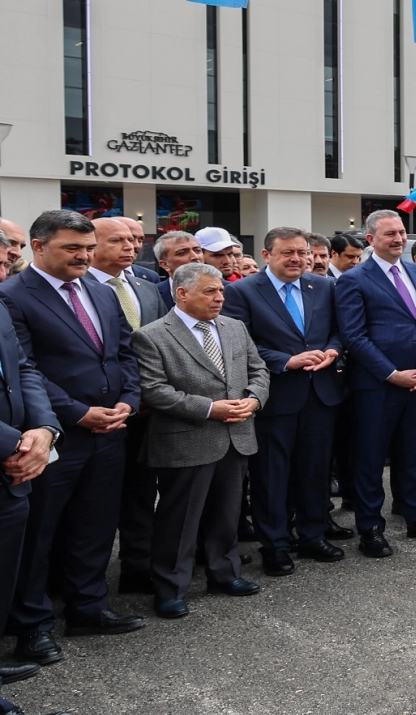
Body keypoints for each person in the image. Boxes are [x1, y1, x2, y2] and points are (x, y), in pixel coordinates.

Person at [0, 211, 144, 667]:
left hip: (111, 428)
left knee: (96, 524)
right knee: (40, 532)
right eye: (71, 249)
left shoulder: (101, 292)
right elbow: (28, 370)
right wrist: (77, 413)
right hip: (58, 434)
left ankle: (88, 606)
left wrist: (129, 400)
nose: (83, 256)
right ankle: (33, 624)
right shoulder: (13, 296)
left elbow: (124, 353)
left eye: (86, 248)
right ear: (39, 247)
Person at [132, 262, 270, 617]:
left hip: (236, 434)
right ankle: (170, 588)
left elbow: (258, 370)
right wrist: (210, 409)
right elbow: (155, 391)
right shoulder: (153, 335)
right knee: (179, 519)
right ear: (181, 293)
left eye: (221, 290)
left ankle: (224, 573)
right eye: (210, 291)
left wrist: (254, 399)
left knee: (227, 513)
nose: (219, 297)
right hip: (186, 439)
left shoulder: (234, 327)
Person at [222, 227, 346, 575]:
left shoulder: (324, 286)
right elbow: (239, 343)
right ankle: (274, 544)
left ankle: (312, 534)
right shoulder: (242, 291)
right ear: (266, 255)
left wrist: (334, 350)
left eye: (302, 252)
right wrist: (284, 361)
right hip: (275, 396)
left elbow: (339, 330)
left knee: (315, 470)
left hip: (320, 393)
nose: (297, 259)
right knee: (272, 475)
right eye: (287, 253)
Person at [333, 210, 416, 558]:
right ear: (370, 239)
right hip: (378, 385)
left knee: (414, 453)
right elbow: (354, 336)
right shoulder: (354, 279)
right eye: (389, 234)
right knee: (370, 458)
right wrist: (391, 373)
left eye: (401, 232)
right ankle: (370, 528)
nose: (398, 239)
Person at [0, 292, 74, 715]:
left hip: (16, 468)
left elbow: (23, 369)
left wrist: (45, 431)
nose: (11, 253)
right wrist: (14, 444)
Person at [86, 218, 166, 594]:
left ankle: (137, 566)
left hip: (147, 408)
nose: (131, 247)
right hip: (97, 413)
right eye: (117, 240)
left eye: (135, 240)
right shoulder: (81, 290)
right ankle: (78, 580)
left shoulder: (145, 285)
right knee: (94, 501)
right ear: (91, 245)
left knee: (140, 491)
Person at [151, 230, 203, 309]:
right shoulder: (151, 294)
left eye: (198, 251)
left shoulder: (226, 290)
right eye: (182, 253)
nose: (195, 257)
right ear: (165, 265)